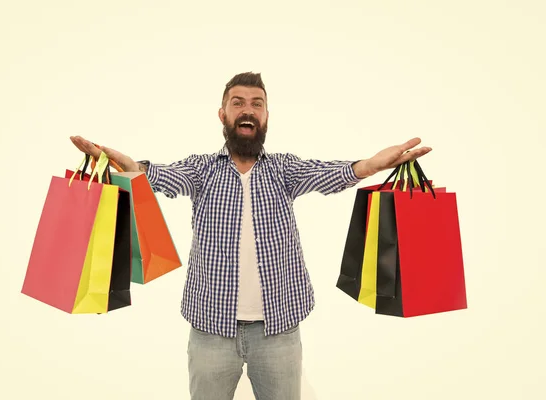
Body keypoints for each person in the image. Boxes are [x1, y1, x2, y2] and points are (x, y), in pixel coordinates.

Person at [70, 72, 431, 400]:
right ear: (223, 115)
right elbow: (165, 176)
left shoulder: (283, 169)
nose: (248, 110)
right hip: (211, 329)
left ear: (266, 117)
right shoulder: (202, 170)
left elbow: (329, 174)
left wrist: (371, 165)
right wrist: (132, 168)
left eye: (257, 104)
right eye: (237, 103)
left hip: (279, 331)